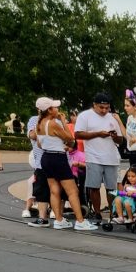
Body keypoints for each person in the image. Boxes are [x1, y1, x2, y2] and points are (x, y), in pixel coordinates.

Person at [34, 97, 97, 231]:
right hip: (58, 158)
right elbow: (70, 138)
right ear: (49, 110)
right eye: (55, 107)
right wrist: (63, 122)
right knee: (72, 191)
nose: (58, 109)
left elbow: (39, 143)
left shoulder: (39, 123)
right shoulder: (53, 123)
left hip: (46, 157)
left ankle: (59, 220)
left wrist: (52, 143)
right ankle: (80, 221)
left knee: (54, 189)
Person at [74, 92, 125, 221]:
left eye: (106, 108)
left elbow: (120, 140)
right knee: (94, 186)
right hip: (94, 157)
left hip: (111, 157)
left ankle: (113, 212)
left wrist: (114, 136)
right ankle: (97, 212)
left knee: (111, 188)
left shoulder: (112, 118)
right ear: (94, 105)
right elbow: (78, 134)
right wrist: (97, 134)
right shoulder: (85, 116)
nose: (104, 110)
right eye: (101, 108)